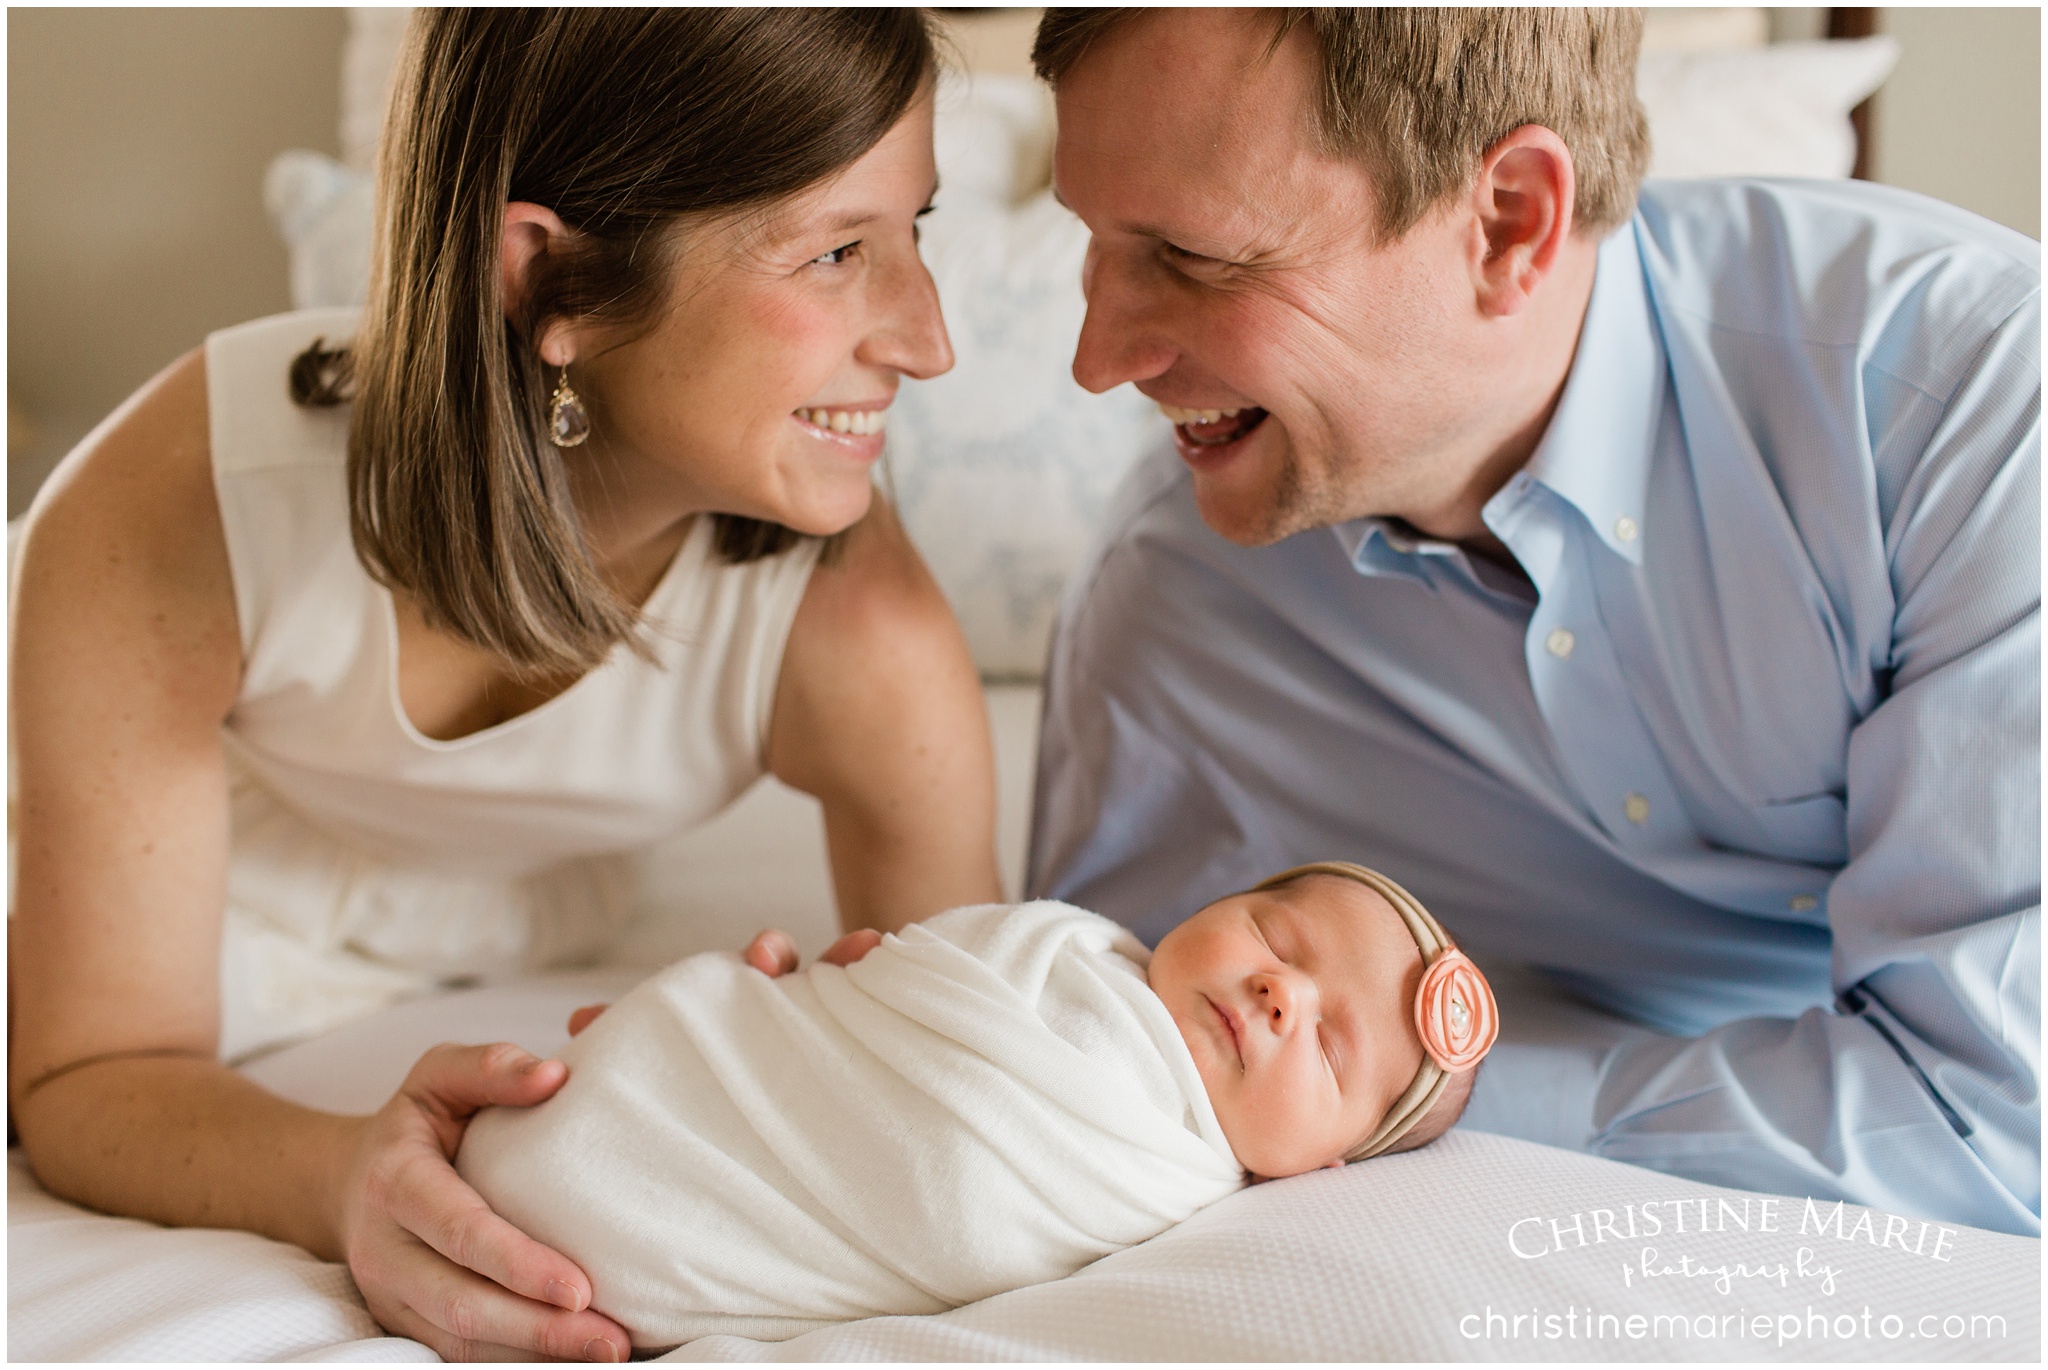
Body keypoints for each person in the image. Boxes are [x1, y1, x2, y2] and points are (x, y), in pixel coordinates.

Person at [9, 10, 1003, 1361]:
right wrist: (343, 1173)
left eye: (917, 233)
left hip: (499, 904)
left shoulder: (854, 630)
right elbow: (83, 1070)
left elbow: (976, 1076)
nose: (930, 339)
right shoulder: (183, 517)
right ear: (554, 279)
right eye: (836, 252)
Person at [1023, 7, 2039, 1236]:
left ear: (1508, 220)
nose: (1094, 356)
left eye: (1190, 255)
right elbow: (1102, 1079)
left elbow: (1992, 1130)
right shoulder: (1176, 618)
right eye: (1094, 241)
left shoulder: (1963, 403)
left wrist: (1427, 1094)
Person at [455, 862, 1493, 1350]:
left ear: (1320, 1167)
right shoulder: (1058, 945)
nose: (1280, 993)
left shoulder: (1171, 1185)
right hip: (675, 1077)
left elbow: (962, 1197)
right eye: (1274, 932)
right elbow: (872, 1011)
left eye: (1327, 1042)